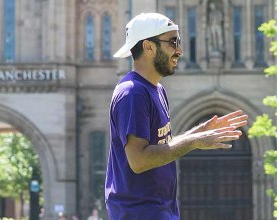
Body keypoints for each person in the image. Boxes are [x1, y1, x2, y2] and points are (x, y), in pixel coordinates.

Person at [106, 13, 248, 220]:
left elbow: (161, 146)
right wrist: (194, 141)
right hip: (139, 213)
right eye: (173, 42)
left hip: (159, 211)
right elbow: (139, 160)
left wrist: (199, 132)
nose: (180, 51)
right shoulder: (133, 93)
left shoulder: (156, 90)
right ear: (148, 47)